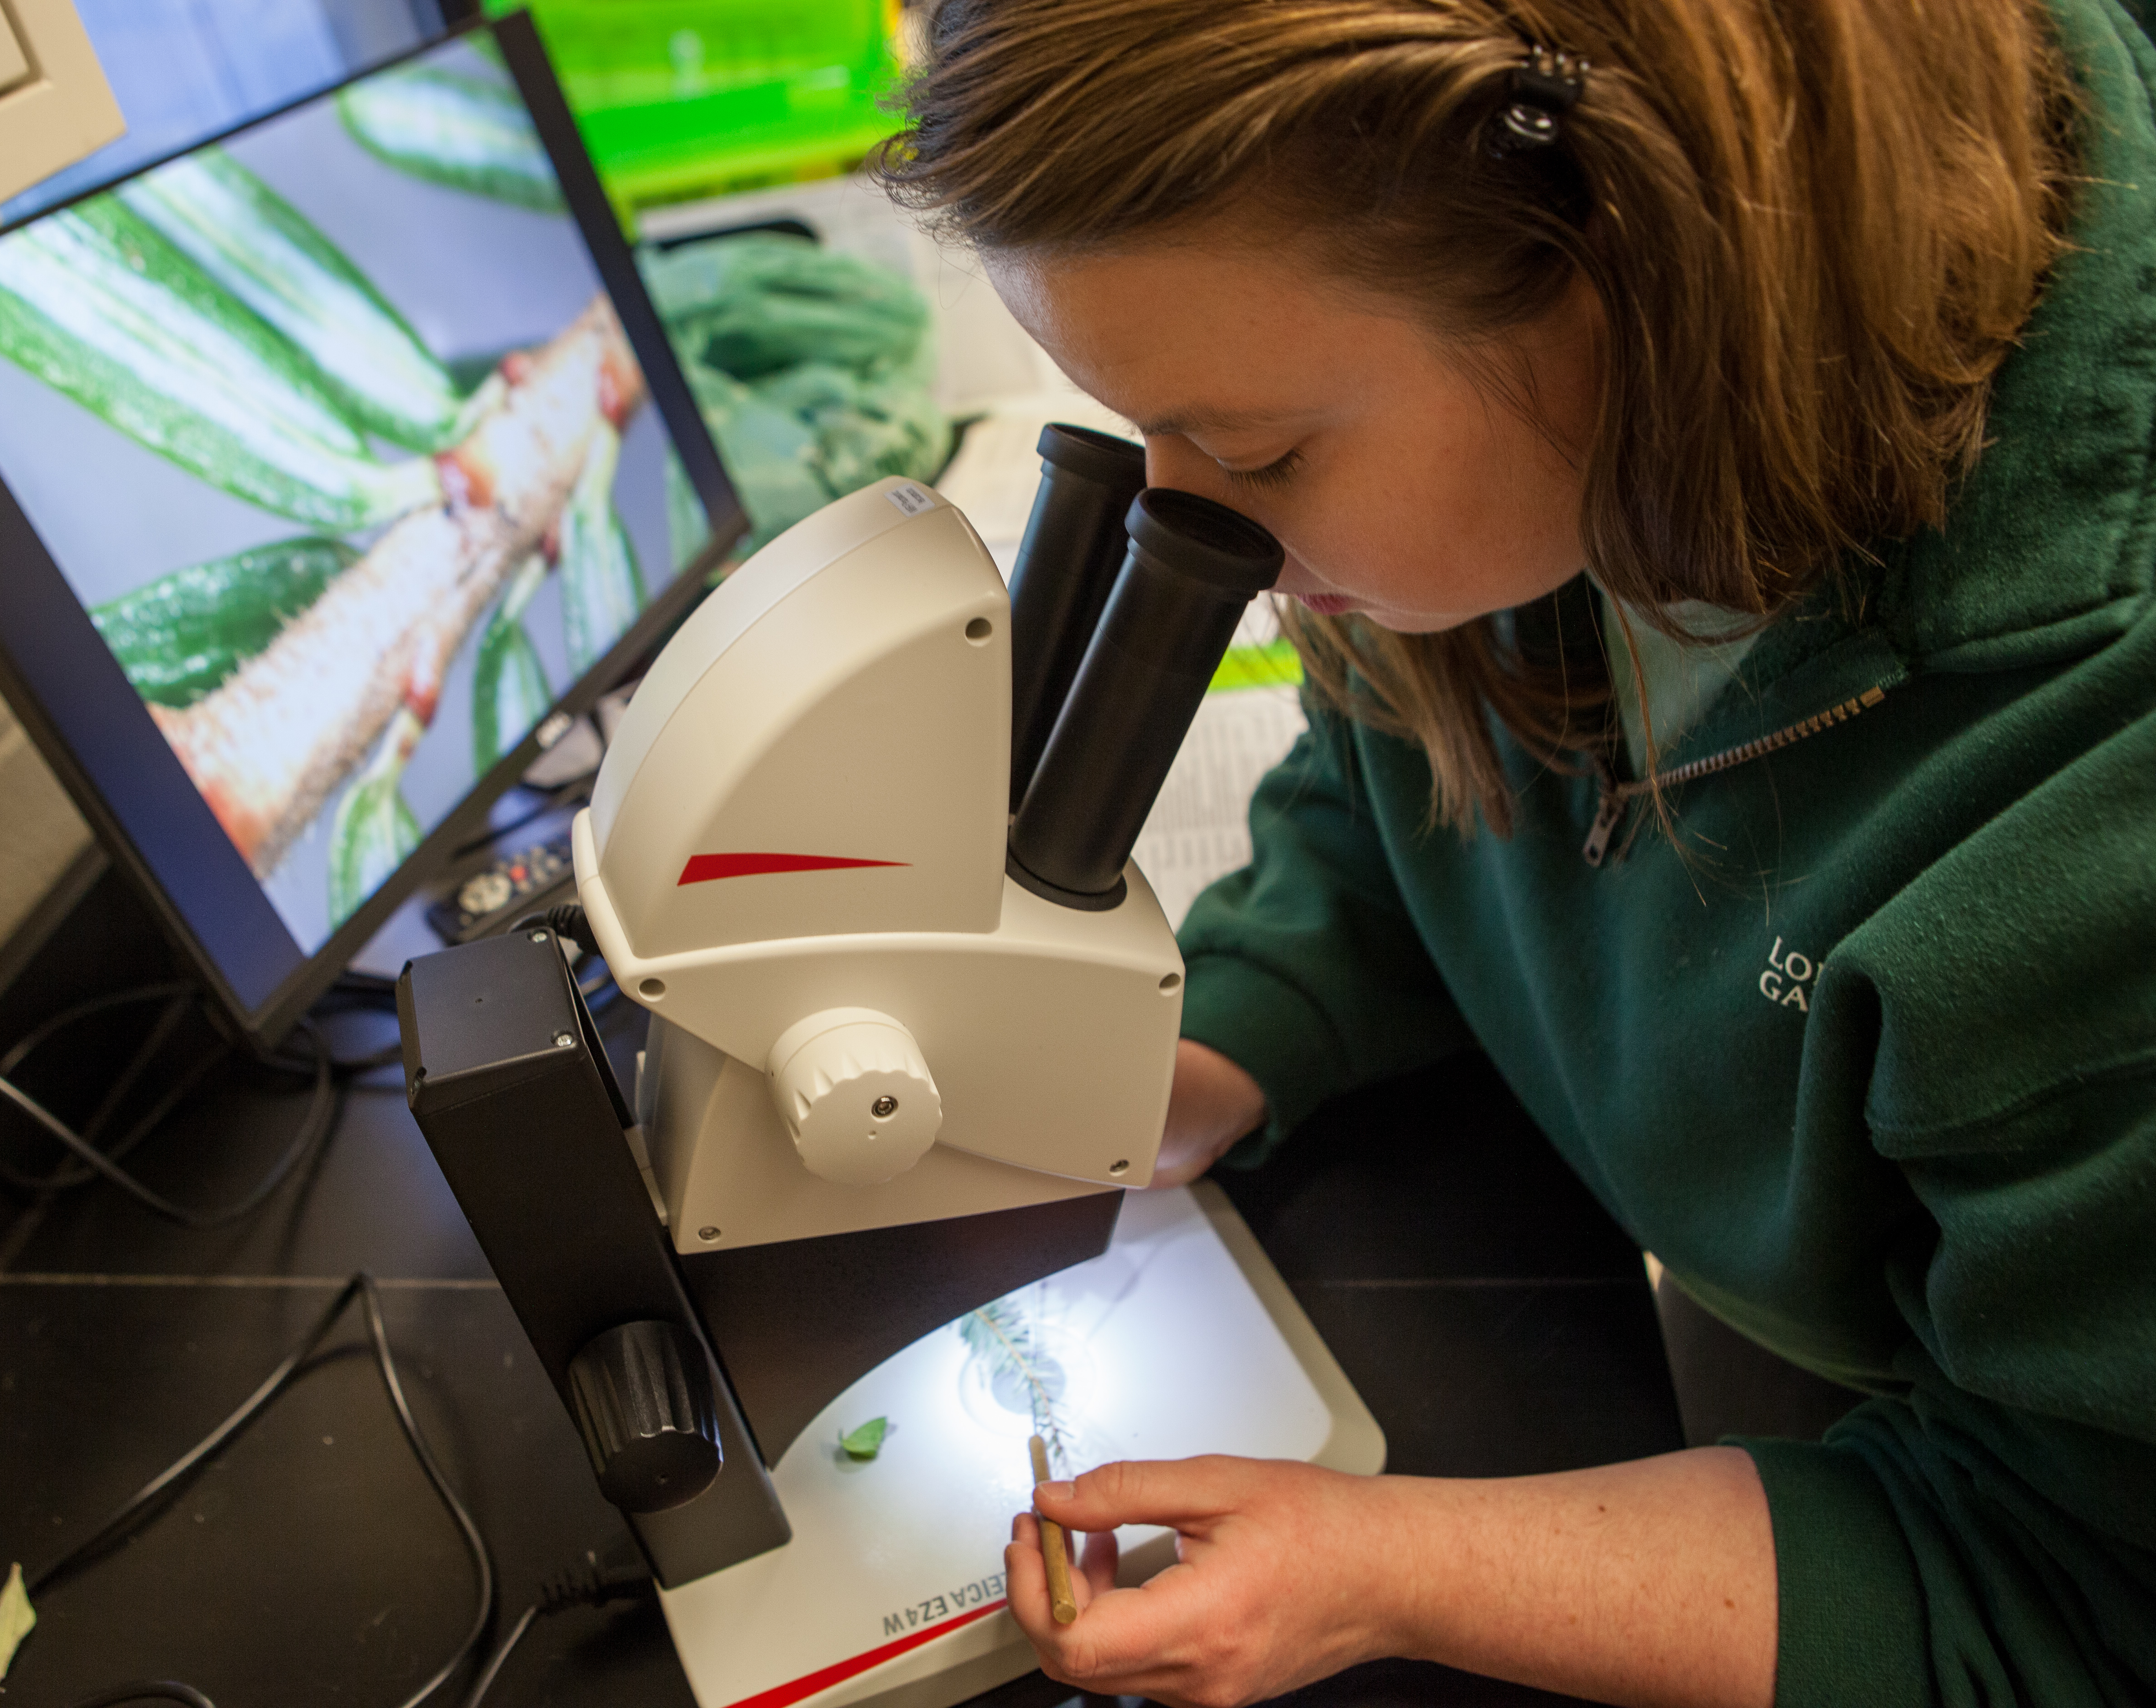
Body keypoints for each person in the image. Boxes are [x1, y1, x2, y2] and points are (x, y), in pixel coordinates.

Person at [879, 0, 2156, 1703]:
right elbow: (1394, 789)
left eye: (1256, 453)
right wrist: (1208, 1049)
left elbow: (2080, 1583)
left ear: (1629, 255)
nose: (1210, 539)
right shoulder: (1543, 447)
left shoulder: (2093, 787)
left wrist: (1389, 1567)